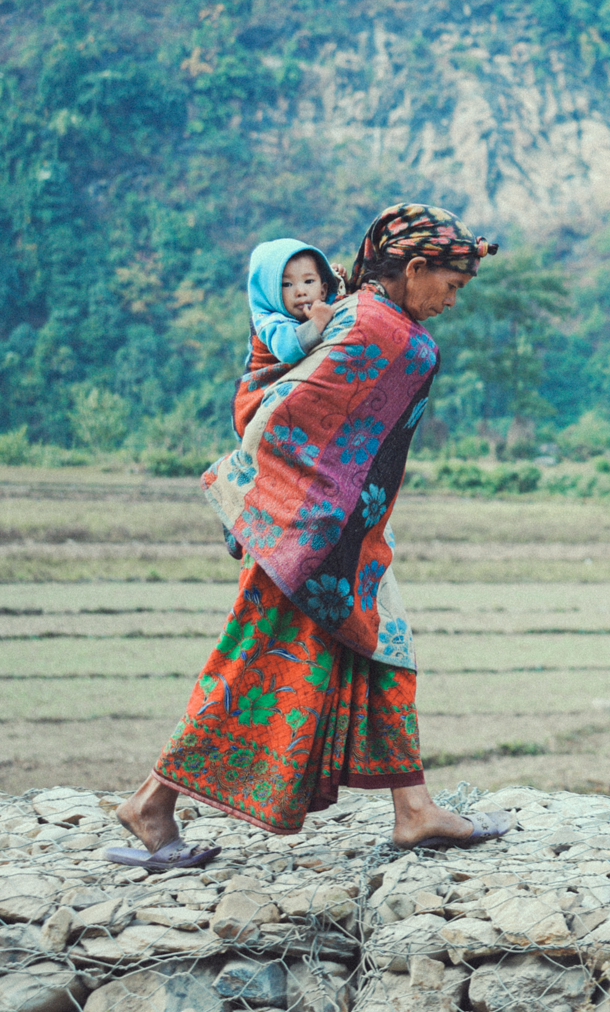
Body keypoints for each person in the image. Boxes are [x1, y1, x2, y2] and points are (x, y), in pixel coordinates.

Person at [107, 204, 505, 869]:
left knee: (385, 651)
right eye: (452, 284)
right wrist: (267, 498)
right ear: (414, 268)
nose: (452, 300)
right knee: (253, 665)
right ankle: (150, 803)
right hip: (308, 539)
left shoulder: (361, 316)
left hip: (343, 536)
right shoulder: (378, 328)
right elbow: (283, 411)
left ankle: (414, 810)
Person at [247, 239, 342, 371]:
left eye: (309, 281)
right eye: (287, 284)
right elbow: (287, 350)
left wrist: (340, 282)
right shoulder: (269, 321)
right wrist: (317, 322)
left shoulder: (318, 306)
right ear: (269, 293)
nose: (301, 292)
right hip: (265, 382)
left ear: (323, 290)